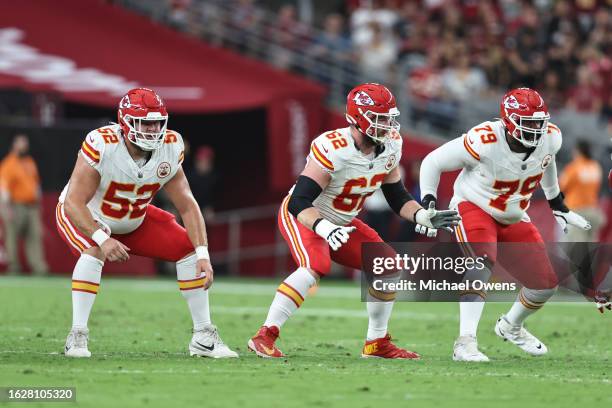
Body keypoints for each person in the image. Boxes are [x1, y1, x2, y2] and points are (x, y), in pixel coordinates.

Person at [247, 83, 460, 359]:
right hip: (306, 216)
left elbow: (396, 195)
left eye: (389, 118)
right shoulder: (333, 147)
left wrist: (422, 216)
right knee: (316, 265)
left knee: (389, 266)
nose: (387, 124)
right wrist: (325, 228)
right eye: (379, 118)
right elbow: (300, 200)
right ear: (358, 118)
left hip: (343, 222)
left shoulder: (391, 144)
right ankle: (264, 335)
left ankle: (376, 343)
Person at [56, 88, 237, 359]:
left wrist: (203, 253)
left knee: (188, 250)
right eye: (145, 122)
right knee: (93, 250)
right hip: (86, 217)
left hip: (134, 219)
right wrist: (102, 238)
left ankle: (203, 336)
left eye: (157, 122)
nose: (153, 129)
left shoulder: (170, 146)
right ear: (125, 122)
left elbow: (187, 203)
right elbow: (73, 202)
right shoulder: (102, 143)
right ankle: (77, 335)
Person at [419, 88, 591, 362]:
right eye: (529, 123)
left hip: (512, 214)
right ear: (509, 122)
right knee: (480, 262)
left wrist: (557, 202)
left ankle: (511, 326)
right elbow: (433, 161)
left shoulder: (551, 137)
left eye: (539, 122)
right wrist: (427, 201)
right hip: (473, 205)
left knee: (544, 285)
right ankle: (465, 342)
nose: (536, 129)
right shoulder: (484, 139)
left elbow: (547, 163)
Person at [0, 134, 48, 275]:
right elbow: (4, 188)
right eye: (21, 143)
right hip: (16, 205)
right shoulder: (8, 164)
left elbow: (36, 184)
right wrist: (6, 207)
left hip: (31, 206)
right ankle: (14, 267)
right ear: (14, 145)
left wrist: (39, 203)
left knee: (35, 237)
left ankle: (39, 268)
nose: (24, 146)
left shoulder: (29, 162)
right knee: (12, 238)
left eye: (25, 143)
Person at [558, 140, 605, 242]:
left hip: (576, 210)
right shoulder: (595, 166)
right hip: (592, 209)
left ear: (577, 151)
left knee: (575, 247)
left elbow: (561, 187)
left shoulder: (574, 168)